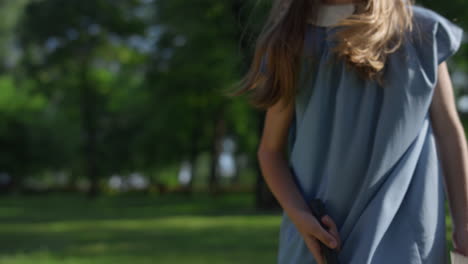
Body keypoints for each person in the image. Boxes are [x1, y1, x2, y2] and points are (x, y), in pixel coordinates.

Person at [228, 0, 468, 263]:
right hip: (320, 245)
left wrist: (464, 225)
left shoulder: (422, 32)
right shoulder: (290, 42)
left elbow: (449, 134)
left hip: (406, 243)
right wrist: (301, 217)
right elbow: (270, 152)